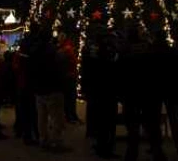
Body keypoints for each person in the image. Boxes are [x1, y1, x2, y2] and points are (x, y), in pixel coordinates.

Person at [120, 26, 166, 161]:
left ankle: (132, 154)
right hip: (150, 94)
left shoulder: (126, 53)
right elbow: (158, 72)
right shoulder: (151, 51)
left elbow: (121, 74)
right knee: (152, 126)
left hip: (132, 94)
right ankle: (157, 152)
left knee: (133, 128)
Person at [29, 26, 70, 153]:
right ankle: (56, 142)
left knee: (42, 117)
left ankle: (43, 140)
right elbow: (61, 66)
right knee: (57, 117)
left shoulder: (34, 50)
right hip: (53, 88)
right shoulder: (54, 51)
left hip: (39, 88)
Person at [82, 27, 118, 158]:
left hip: (97, 91)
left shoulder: (92, 52)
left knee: (100, 119)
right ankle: (105, 148)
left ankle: (100, 143)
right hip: (106, 91)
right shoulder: (107, 53)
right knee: (106, 121)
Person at [59, 36, 80, 123]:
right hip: (70, 76)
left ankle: (69, 115)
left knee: (68, 97)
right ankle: (70, 115)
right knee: (70, 97)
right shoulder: (68, 49)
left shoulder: (63, 49)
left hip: (67, 76)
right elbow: (73, 62)